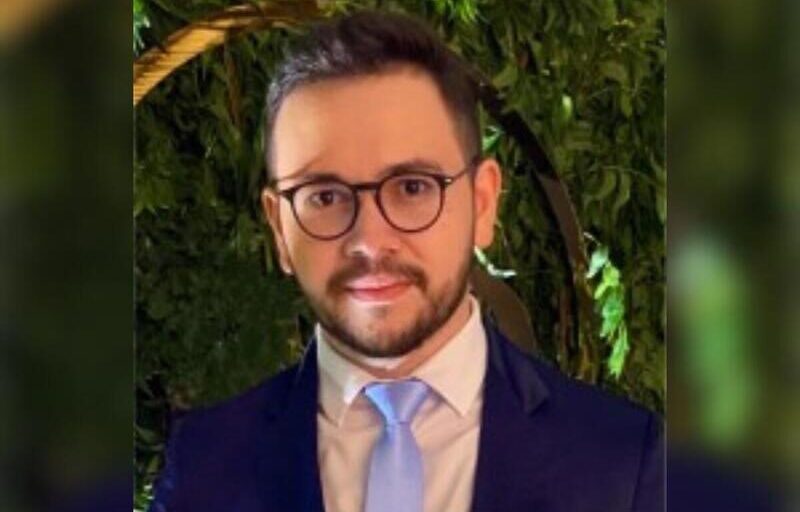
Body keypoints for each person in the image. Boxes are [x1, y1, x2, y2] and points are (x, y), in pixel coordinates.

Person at [149, 10, 663, 512]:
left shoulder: (623, 463)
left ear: (483, 203)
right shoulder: (204, 465)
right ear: (279, 228)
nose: (370, 242)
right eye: (324, 196)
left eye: (412, 188)